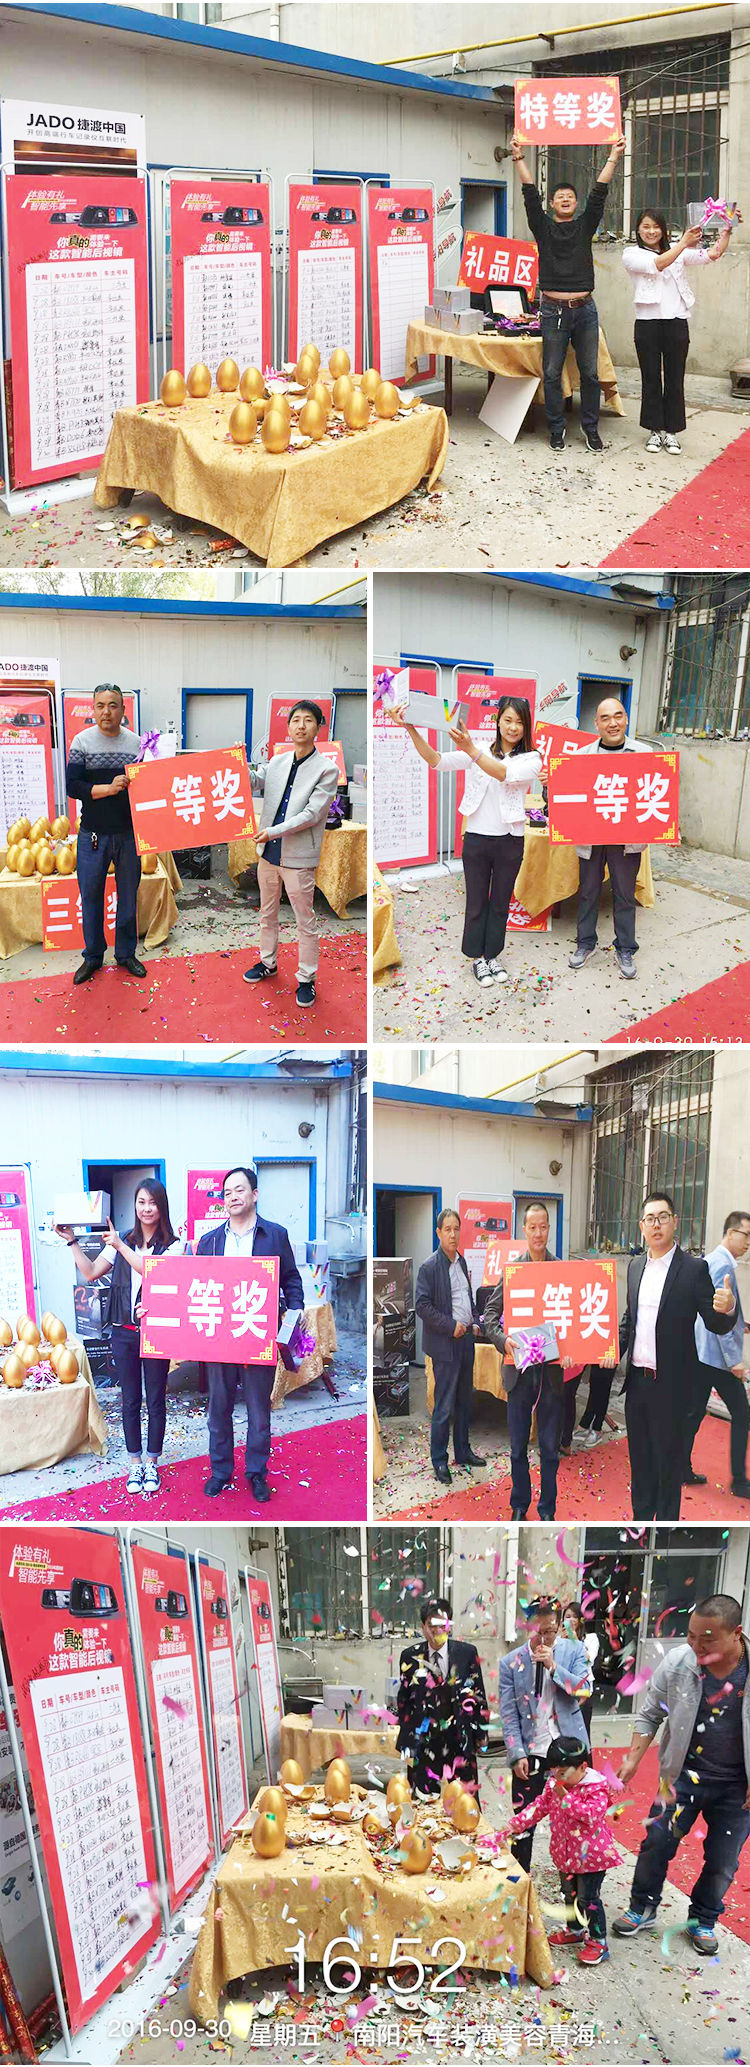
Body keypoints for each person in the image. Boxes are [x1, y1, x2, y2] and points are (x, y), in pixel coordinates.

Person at [614, 1594, 750, 1957]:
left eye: (707, 1639)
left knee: (723, 1861)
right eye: (691, 1635)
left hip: (737, 1788)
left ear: (736, 1633)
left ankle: (703, 1919)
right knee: (656, 1843)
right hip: (680, 1776)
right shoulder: (678, 1663)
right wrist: (633, 1759)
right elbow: (650, 1714)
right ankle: (643, 1907)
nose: (696, 1646)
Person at [390, 698, 541, 987]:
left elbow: (504, 774)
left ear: (526, 726)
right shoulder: (480, 748)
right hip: (476, 838)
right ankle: (477, 959)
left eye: (520, 722)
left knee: (500, 903)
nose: (513, 727)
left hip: (510, 841)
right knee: (476, 902)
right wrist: (411, 729)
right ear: (498, 721)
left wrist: (470, 750)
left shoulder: (532, 758)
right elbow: (436, 761)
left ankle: (492, 955)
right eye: (508, 720)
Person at [55, 1181, 183, 1495]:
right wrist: (73, 1242)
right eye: (141, 1202)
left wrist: (119, 1245)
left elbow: (154, 1271)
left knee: (156, 1399)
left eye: (153, 1202)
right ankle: (135, 1463)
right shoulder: (123, 1239)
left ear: (162, 1206)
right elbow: (90, 1272)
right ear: (135, 1205)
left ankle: (152, 1462)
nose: (146, 1208)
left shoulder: (174, 1245)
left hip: (156, 1332)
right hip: (124, 1333)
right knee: (130, 1400)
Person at [618, 1190, 737, 1521]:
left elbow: (715, 1323)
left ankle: (665, 1531)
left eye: (662, 1217)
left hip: (671, 1388)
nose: (656, 1225)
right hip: (637, 1386)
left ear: (674, 1222)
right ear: (641, 1226)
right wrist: (608, 1350)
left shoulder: (693, 1269)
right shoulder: (635, 1267)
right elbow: (630, 1320)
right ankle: (641, 1525)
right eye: (650, 1219)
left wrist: (728, 1309)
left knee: (667, 1467)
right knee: (641, 1464)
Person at [483, 1202, 601, 1518]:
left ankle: (547, 1507)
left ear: (549, 1229)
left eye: (543, 1227)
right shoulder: (514, 1271)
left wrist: (573, 1350)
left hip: (552, 1375)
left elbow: (574, 1322)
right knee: (518, 1448)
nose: (538, 1233)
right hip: (519, 1372)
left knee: (549, 1449)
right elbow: (490, 1315)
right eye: (532, 1227)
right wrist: (502, 1341)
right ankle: (519, 1505)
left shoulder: (562, 1271)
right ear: (524, 1230)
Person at [512, 128, 626, 452]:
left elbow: (599, 192)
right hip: (552, 310)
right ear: (552, 204)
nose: (565, 199)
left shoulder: (585, 225)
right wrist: (519, 158)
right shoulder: (543, 227)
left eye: (570, 196)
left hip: (585, 310)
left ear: (576, 204)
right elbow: (529, 194)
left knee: (590, 373)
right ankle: (556, 430)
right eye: (559, 196)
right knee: (551, 373)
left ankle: (591, 429)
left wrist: (614, 156)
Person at [196, 1165, 304, 1501]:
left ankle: (256, 1473)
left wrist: (295, 1311)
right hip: (220, 1341)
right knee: (219, 1410)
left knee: (258, 1413)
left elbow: (291, 1279)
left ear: (254, 1194)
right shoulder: (210, 1242)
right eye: (227, 1192)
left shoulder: (275, 1236)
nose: (232, 1197)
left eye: (239, 1190)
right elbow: (196, 1286)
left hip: (258, 1336)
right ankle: (220, 1471)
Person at [243, 701, 338, 1009]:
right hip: (268, 854)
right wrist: (235, 762)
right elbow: (253, 781)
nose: (301, 726)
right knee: (267, 913)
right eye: (295, 720)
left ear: (318, 727)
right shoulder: (278, 761)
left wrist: (273, 831)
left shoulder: (327, 769)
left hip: (298, 857)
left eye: (308, 720)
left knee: (304, 919)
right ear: (288, 727)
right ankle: (267, 963)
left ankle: (306, 978)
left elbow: (312, 814)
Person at [623, 209, 737, 453]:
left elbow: (713, 253)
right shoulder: (631, 254)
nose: (651, 231)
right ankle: (654, 431)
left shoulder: (679, 250)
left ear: (663, 229)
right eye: (646, 226)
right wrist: (683, 243)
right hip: (647, 323)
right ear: (638, 230)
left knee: (675, 379)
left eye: (656, 226)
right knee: (651, 378)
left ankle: (672, 432)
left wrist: (726, 230)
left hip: (676, 321)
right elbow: (657, 264)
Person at [505, 1735, 621, 1965]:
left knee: (589, 1898)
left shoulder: (596, 1788)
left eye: (563, 1773)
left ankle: (598, 1941)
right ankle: (575, 1930)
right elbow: (540, 1806)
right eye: (554, 1773)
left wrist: (565, 1798)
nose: (557, 1778)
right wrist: (517, 1823)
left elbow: (590, 1815)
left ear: (583, 1767)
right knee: (570, 1894)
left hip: (592, 1857)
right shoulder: (554, 1784)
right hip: (565, 1854)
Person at [498, 1598, 593, 1872]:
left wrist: (553, 1666)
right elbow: (508, 1714)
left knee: (572, 1822)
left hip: (568, 1750)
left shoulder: (575, 1650)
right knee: (523, 1822)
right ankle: (520, 1879)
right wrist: (516, 1754)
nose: (544, 1638)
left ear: (559, 1625)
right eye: (538, 1632)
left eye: (550, 1632)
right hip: (531, 1752)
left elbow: (584, 1689)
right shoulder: (510, 1663)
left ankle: (574, 1880)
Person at [66, 681, 144, 985]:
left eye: (113, 705)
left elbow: (151, 784)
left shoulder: (137, 744)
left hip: (129, 835)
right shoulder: (82, 742)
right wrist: (108, 789)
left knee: (128, 899)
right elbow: (73, 786)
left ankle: (125, 954)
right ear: (93, 708)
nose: (106, 711)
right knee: (91, 898)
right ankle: (93, 957)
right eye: (100, 705)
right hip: (93, 835)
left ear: (123, 709)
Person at [569, 698, 654, 980]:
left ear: (626, 719)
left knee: (624, 895)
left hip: (627, 839)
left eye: (618, 716)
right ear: (596, 724)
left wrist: (668, 826)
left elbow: (658, 792)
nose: (612, 723)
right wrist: (550, 784)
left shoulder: (645, 754)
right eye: (605, 718)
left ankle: (625, 948)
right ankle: (585, 944)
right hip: (590, 838)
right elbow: (565, 800)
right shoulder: (580, 756)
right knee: (588, 892)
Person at [415, 1207, 485, 1486]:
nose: (453, 1234)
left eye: (457, 1229)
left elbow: (468, 1299)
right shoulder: (429, 1267)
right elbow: (422, 1306)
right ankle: (439, 1460)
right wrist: (450, 1325)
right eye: (448, 1229)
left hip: (466, 1340)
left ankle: (463, 1451)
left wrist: (475, 1320)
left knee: (465, 1401)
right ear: (438, 1233)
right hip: (445, 1344)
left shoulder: (462, 1262)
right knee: (444, 1406)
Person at [685, 1209, 750, 1502]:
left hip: (703, 1353)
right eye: (746, 1235)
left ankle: (680, 1467)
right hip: (716, 1356)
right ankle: (740, 1481)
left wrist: (740, 1323)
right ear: (731, 1233)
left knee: (694, 1413)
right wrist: (734, 1360)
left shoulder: (711, 1260)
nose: (748, 1242)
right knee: (742, 1414)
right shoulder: (721, 1265)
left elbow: (715, 1310)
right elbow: (716, 1316)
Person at [396, 1597, 489, 1798]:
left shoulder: (467, 1653)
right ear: (423, 1627)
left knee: (465, 1801)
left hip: (460, 1738)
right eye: (432, 1626)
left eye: (442, 1625)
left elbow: (478, 1695)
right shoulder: (410, 1657)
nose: (437, 1630)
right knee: (424, 1802)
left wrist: (481, 1732)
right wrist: (407, 1739)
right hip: (425, 1741)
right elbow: (404, 1701)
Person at [562, 1602, 599, 1758]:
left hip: (582, 1692)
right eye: (567, 1617)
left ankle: (586, 1767)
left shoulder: (591, 1639)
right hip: (563, 1691)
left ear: (581, 1620)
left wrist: (574, 1640)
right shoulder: (559, 1639)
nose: (570, 1620)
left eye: (574, 1617)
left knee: (582, 1733)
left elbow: (588, 1659)